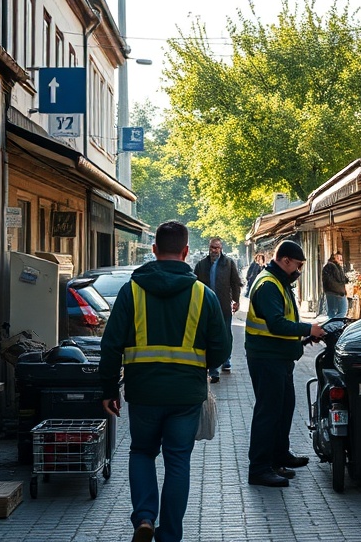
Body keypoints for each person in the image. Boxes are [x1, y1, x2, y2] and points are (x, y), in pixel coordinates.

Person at [100, 221, 231, 542]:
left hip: (143, 392)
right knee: (177, 461)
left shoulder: (131, 291)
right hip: (186, 395)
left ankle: (144, 518)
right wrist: (201, 365)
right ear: (186, 252)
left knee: (142, 452)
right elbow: (222, 347)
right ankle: (170, 535)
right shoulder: (204, 295)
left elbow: (111, 344)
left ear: (154, 250)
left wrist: (107, 389)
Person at [245, 240, 325, 487]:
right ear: (286, 260)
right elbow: (276, 324)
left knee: (284, 407)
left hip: (279, 356)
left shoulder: (280, 282)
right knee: (268, 412)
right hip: (267, 358)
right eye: (298, 265)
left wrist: (302, 338)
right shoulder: (269, 284)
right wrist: (307, 328)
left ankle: (279, 456)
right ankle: (259, 468)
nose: (299, 270)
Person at [194, 237, 243, 381]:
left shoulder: (228, 263)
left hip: (223, 305)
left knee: (226, 333)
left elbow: (235, 283)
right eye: (212, 247)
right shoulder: (202, 265)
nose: (214, 250)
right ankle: (213, 369)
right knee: (209, 335)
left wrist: (236, 300)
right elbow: (194, 283)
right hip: (206, 306)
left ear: (221, 248)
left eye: (217, 247)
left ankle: (226, 360)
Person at [321, 252, 350, 319]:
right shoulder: (331, 266)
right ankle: (334, 325)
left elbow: (341, 279)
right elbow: (330, 281)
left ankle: (333, 325)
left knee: (332, 311)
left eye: (341, 258)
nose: (340, 259)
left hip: (333, 291)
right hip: (336, 292)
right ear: (334, 258)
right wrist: (339, 290)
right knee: (342, 310)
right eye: (338, 258)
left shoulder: (336, 266)